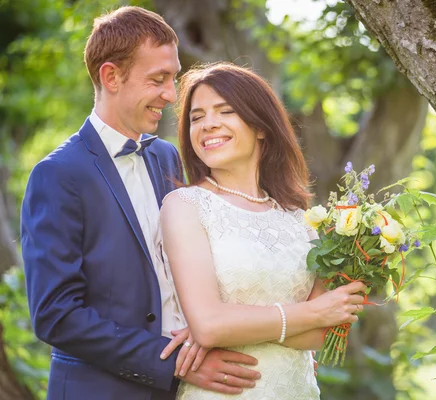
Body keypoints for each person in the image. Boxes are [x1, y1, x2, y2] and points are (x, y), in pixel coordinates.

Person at [20, 7, 260, 400]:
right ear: (111, 76)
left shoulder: (166, 156)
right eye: (158, 79)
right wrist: (173, 363)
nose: (171, 94)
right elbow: (56, 316)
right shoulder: (58, 175)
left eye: (173, 78)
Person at [160, 62, 366, 400]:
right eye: (196, 117)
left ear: (260, 126)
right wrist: (312, 313)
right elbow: (209, 324)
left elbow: (327, 333)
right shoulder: (185, 206)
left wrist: (230, 326)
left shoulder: (300, 217)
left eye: (225, 111)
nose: (208, 124)